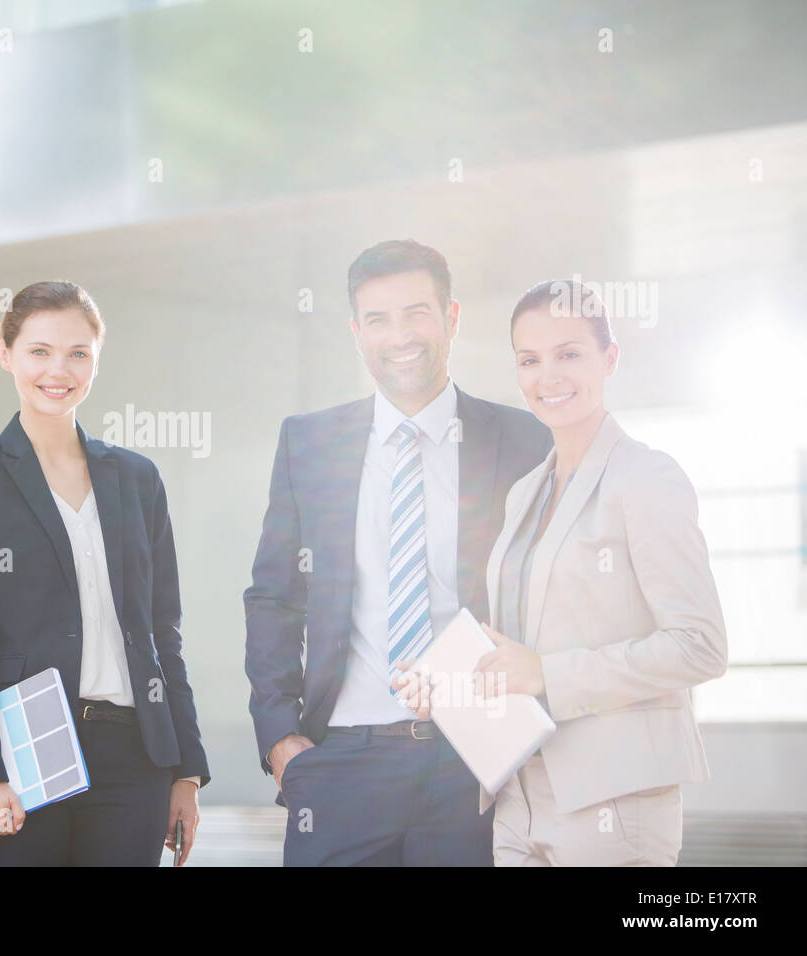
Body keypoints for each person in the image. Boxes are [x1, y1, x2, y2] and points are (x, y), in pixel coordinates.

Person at [244, 239, 552, 866]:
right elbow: (274, 596)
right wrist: (280, 736)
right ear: (357, 332)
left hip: (474, 761)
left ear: (452, 317)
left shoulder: (523, 440)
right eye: (378, 319)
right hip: (340, 761)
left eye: (416, 313)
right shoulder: (310, 442)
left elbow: (553, 594)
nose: (399, 335)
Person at [0, 280, 210, 866]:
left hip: (134, 757)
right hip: (20, 754)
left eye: (78, 353)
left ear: (96, 362)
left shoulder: (137, 479)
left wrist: (185, 770)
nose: (59, 369)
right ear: (6, 354)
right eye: (39, 351)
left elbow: (164, 633)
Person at [466, 279, 726, 865]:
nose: (547, 376)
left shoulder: (646, 478)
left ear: (610, 359)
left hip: (614, 798)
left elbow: (700, 646)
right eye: (529, 360)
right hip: (518, 797)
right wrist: (454, 679)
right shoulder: (525, 493)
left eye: (569, 354)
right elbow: (523, 649)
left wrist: (548, 675)